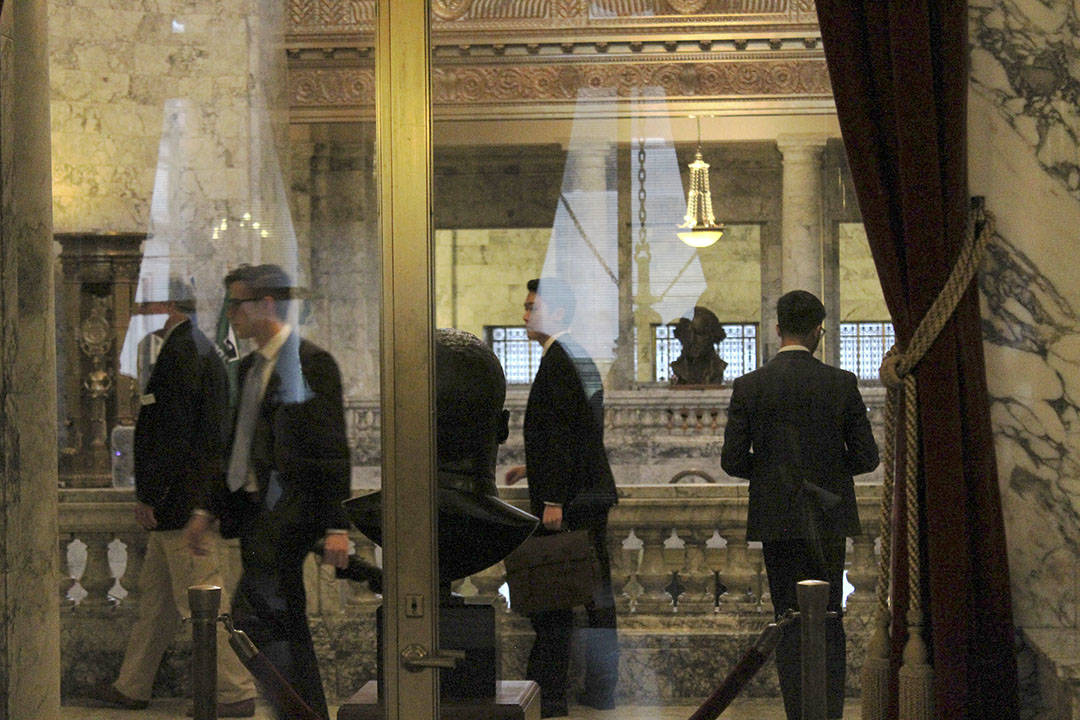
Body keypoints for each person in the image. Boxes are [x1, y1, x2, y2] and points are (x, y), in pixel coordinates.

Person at [186, 264, 350, 720]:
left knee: (254, 616)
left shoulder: (311, 363)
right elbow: (236, 448)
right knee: (280, 622)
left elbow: (331, 449)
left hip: (291, 515)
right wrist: (206, 510)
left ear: (267, 304)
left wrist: (337, 526)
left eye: (237, 304)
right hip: (256, 515)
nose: (231, 315)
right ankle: (306, 713)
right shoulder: (248, 369)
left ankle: (300, 712)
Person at [87, 277, 257, 717]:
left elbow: (173, 437)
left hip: (181, 507)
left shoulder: (183, 353)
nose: (138, 315)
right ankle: (132, 685)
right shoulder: (192, 349)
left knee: (203, 604)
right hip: (179, 504)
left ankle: (235, 692)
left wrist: (152, 495)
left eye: (144, 306)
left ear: (166, 306)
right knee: (157, 605)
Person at [720, 289, 879, 720]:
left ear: (777, 329)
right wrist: (825, 474)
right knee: (829, 617)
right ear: (817, 331)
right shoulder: (841, 383)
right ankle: (828, 713)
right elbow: (867, 457)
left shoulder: (750, 386)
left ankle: (798, 712)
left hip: (777, 518)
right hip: (827, 515)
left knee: (787, 618)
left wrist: (775, 476)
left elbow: (732, 461)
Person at [504, 277, 619, 718]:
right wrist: (533, 470)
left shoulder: (559, 359)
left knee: (555, 598)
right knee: (595, 598)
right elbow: (583, 431)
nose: (524, 315)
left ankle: (552, 693)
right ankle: (599, 690)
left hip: (569, 501)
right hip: (586, 493)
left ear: (557, 312)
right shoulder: (576, 356)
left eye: (532, 307)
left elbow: (563, 436)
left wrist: (552, 497)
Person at [669, 305, 728, 386]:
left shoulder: (718, 368)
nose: (692, 339)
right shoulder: (678, 368)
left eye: (699, 333)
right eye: (687, 334)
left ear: (712, 336)